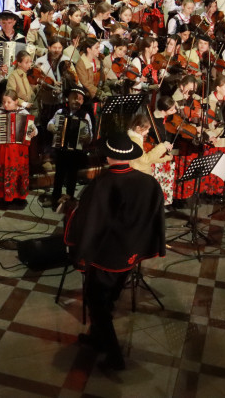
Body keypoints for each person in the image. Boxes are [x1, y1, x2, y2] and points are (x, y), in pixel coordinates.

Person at [64, 132, 166, 371]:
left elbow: (89, 223)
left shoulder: (102, 185)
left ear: (108, 158)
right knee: (111, 296)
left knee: (96, 302)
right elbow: (155, 217)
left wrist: (80, 251)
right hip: (133, 252)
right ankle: (96, 337)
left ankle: (113, 355)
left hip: (106, 256)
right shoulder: (148, 182)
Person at [0, 90, 37, 209]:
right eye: (4, 102)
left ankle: (19, 197)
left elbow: (33, 128)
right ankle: (5, 197)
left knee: (19, 172)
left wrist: (33, 132)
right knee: (4, 171)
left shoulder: (23, 112)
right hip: (4, 148)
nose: (5, 105)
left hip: (20, 149)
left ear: (15, 102)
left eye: (9, 102)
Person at [47, 86, 94, 209]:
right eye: (74, 98)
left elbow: (90, 135)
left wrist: (86, 137)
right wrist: (52, 127)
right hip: (61, 150)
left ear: (83, 101)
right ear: (68, 98)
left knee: (72, 177)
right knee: (59, 175)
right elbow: (50, 123)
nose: (76, 101)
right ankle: (55, 199)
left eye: (79, 99)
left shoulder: (85, 115)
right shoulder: (60, 112)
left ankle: (69, 200)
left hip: (75, 152)